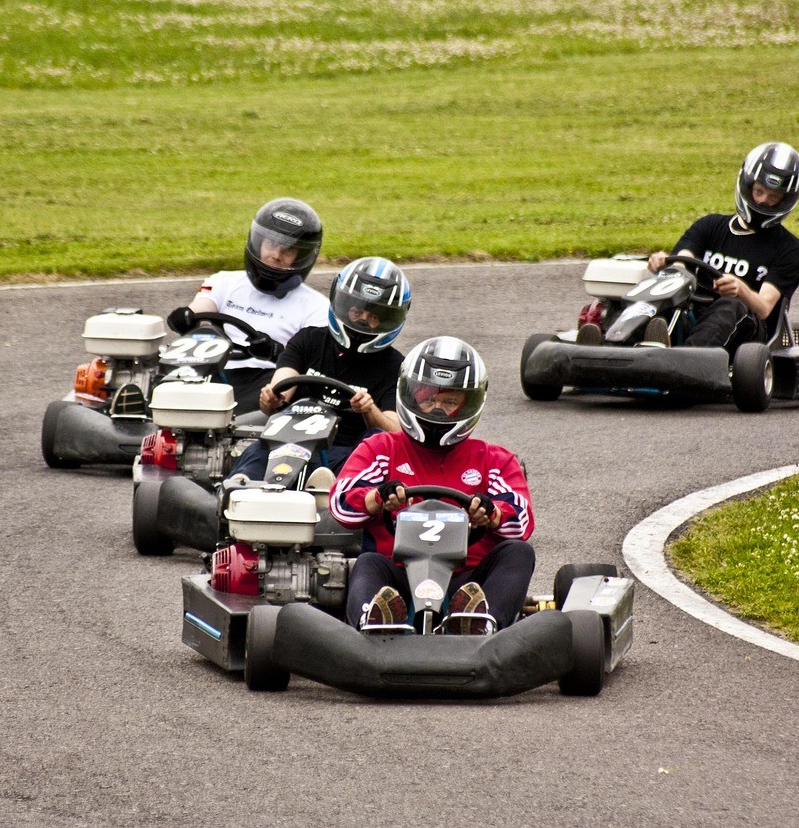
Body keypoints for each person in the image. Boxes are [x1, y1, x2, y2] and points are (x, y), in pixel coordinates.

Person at [329, 336, 535, 635]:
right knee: (368, 562)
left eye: (450, 402)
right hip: (396, 577)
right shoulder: (381, 449)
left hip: (470, 582)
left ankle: (480, 624)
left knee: (518, 552)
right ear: (410, 396)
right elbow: (342, 507)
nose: (437, 409)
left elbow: (522, 523)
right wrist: (377, 498)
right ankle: (376, 625)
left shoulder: (494, 459)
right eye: (429, 399)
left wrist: (491, 514)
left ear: (471, 404)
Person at [230, 257, 412, 482]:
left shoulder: (394, 366)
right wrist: (272, 398)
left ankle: (331, 494)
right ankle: (236, 492)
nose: (363, 321)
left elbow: (394, 432)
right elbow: (281, 388)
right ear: (342, 305)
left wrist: (368, 409)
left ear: (389, 320)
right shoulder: (309, 340)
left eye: (374, 316)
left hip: (348, 454)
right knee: (257, 452)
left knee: (376, 444)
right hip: (288, 444)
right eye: (356, 311)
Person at [627, 142, 799, 353]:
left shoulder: (789, 249)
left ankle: (684, 360)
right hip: (694, 317)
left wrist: (741, 291)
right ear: (748, 185)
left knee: (731, 306)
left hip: (746, 336)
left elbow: (764, 308)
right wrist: (663, 263)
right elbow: (681, 263)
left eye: (773, 197)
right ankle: (613, 343)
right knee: (655, 293)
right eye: (759, 191)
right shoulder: (710, 226)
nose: (762, 202)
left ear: (786, 201)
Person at [167, 197, 329, 414]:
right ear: (258, 241)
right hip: (209, 373)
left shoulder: (317, 307)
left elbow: (309, 364)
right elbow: (200, 309)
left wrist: (275, 352)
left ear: (303, 256)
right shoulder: (224, 281)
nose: (276, 255)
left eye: (288, 250)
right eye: (271, 244)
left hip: (266, 383)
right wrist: (185, 317)